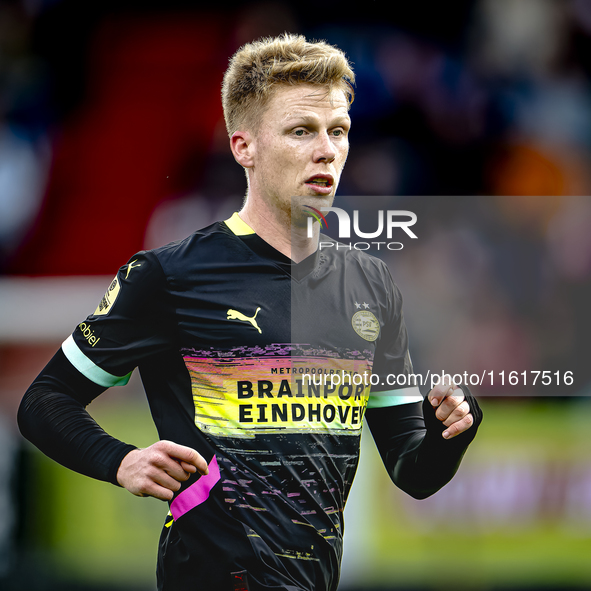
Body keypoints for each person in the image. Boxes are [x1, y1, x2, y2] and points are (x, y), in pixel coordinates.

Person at [18, 34, 482, 591]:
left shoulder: (370, 284)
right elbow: (44, 402)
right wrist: (121, 461)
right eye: (301, 131)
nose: (327, 150)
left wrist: (454, 427)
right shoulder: (169, 276)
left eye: (338, 132)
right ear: (245, 146)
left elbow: (413, 471)